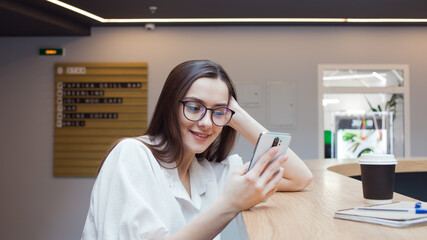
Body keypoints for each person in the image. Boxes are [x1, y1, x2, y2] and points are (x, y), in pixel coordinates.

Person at [82, 60, 312, 240]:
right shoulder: (131, 154)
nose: (206, 123)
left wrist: (236, 115)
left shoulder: (209, 173)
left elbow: (300, 177)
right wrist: (230, 204)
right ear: (170, 106)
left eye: (218, 112)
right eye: (194, 107)